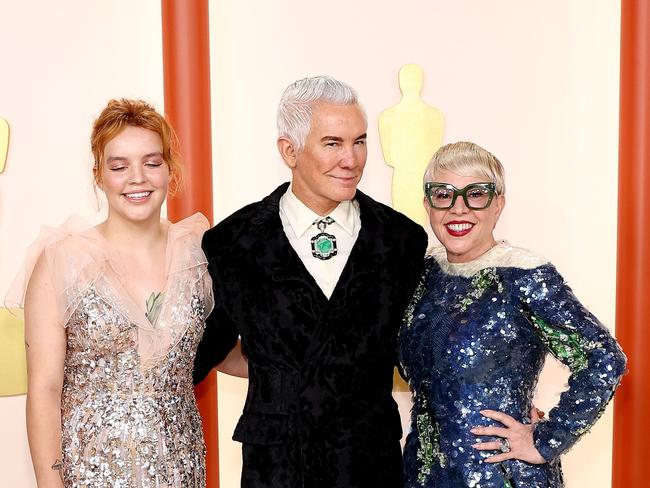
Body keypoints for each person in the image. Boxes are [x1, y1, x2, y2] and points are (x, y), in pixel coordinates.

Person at [193, 76, 428, 487]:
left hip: (368, 463)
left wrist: (500, 396)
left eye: (359, 141)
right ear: (289, 151)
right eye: (333, 143)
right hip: (279, 466)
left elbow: (425, 352)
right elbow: (202, 349)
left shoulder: (401, 240)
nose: (352, 159)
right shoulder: (234, 242)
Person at [8, 99, 215, 487]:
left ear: (169, 169)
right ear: (99, 175)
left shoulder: (199, 253)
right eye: (119, 166)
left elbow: (226, 345)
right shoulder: (62, 260)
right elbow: (45, 388)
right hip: (90, 470)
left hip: (180, 465)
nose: (137, 178)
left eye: (152, 163)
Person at [398, 141, 626, 487]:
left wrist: (547, 438)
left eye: (476, 194)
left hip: (501, 475)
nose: (459, 209)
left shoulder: (523, 275)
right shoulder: (422, 274)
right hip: (423, 475)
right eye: (444, 194)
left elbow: (604, 358)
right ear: (428, 203)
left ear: (498, 204)